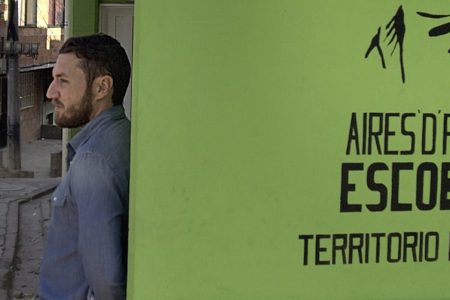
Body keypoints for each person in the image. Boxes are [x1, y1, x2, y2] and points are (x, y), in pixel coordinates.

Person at [39, 33, 131, 300]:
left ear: (101, 88)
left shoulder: (93, 161)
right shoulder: (125, 137)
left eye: (63, 81)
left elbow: (107, 283)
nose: (50, 93)